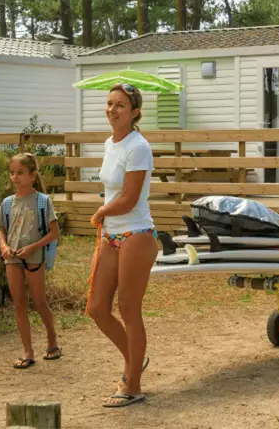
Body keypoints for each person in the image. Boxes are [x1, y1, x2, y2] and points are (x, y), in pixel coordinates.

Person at [87, 83, 157, 408]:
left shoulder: (139, 146)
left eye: (120, 106)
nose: (112, 110)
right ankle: (135, 359)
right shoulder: (109, 143)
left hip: (136, 234)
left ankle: (132, 386)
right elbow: (113, 190)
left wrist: (102, 210)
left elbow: (128, 199)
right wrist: (105, 216)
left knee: (129, 309)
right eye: (110, 103)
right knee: (97, 308)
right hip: (110, 235)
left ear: (135, 112)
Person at [0, 153, 61, 369]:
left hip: (34, 259)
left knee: (40, 303)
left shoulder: (43, 201)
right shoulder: (7, 204)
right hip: (12, 259)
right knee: (19, 304)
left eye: (20, 173)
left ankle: (52, 342)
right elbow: (1, 231)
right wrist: (4, 247)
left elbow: (54, 232)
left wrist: (33, 247)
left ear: (32, 175)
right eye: (12, 172)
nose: (15, 177)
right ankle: (28, 351)